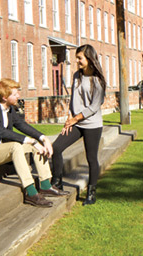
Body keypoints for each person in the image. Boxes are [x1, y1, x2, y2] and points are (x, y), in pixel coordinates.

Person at [0, 77, 67, 207]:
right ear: (4, 97)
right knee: (16, 146)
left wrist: (42, 138)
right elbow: (0, 131)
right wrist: (30, 141)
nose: (18, 96)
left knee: (35, 146)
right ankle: (30, 192)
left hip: (1, 150)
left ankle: (45, 185)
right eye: (15, 94)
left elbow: (22, 125)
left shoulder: (9, 109)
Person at [50, 44, 106, 206]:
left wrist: (75, 119)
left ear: (89, 59)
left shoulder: (98, 81)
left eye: (80, 58)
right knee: (57, 148)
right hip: (75, 122)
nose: (77, 61)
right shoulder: (77, 75)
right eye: (77, 58)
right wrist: (69, 119)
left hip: (92, 125)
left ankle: (91, 192)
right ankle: (57, 182)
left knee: (91, 158)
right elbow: (73, 100)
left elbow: (94, 107)